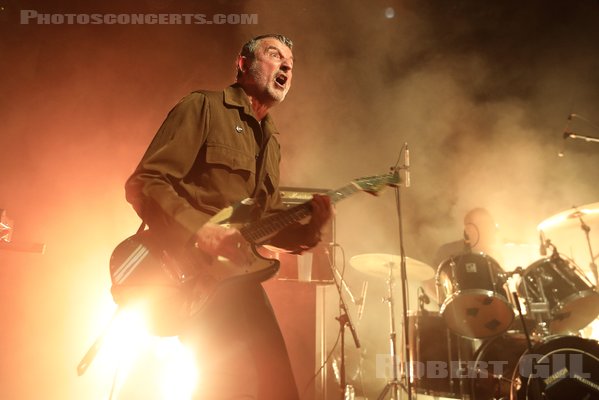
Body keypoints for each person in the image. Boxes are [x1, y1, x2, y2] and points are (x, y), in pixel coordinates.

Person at [124, 34, 331, 400]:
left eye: (291, 64)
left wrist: (308, 232)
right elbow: (145, 182)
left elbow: (261, 224)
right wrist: (200, 231)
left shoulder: (272, 142)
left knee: (278, 388)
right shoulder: (203, 107)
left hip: (237, 279)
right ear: (242, 64)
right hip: (185, 272)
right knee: (227, 383)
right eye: (274, 55)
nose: (286, 65)